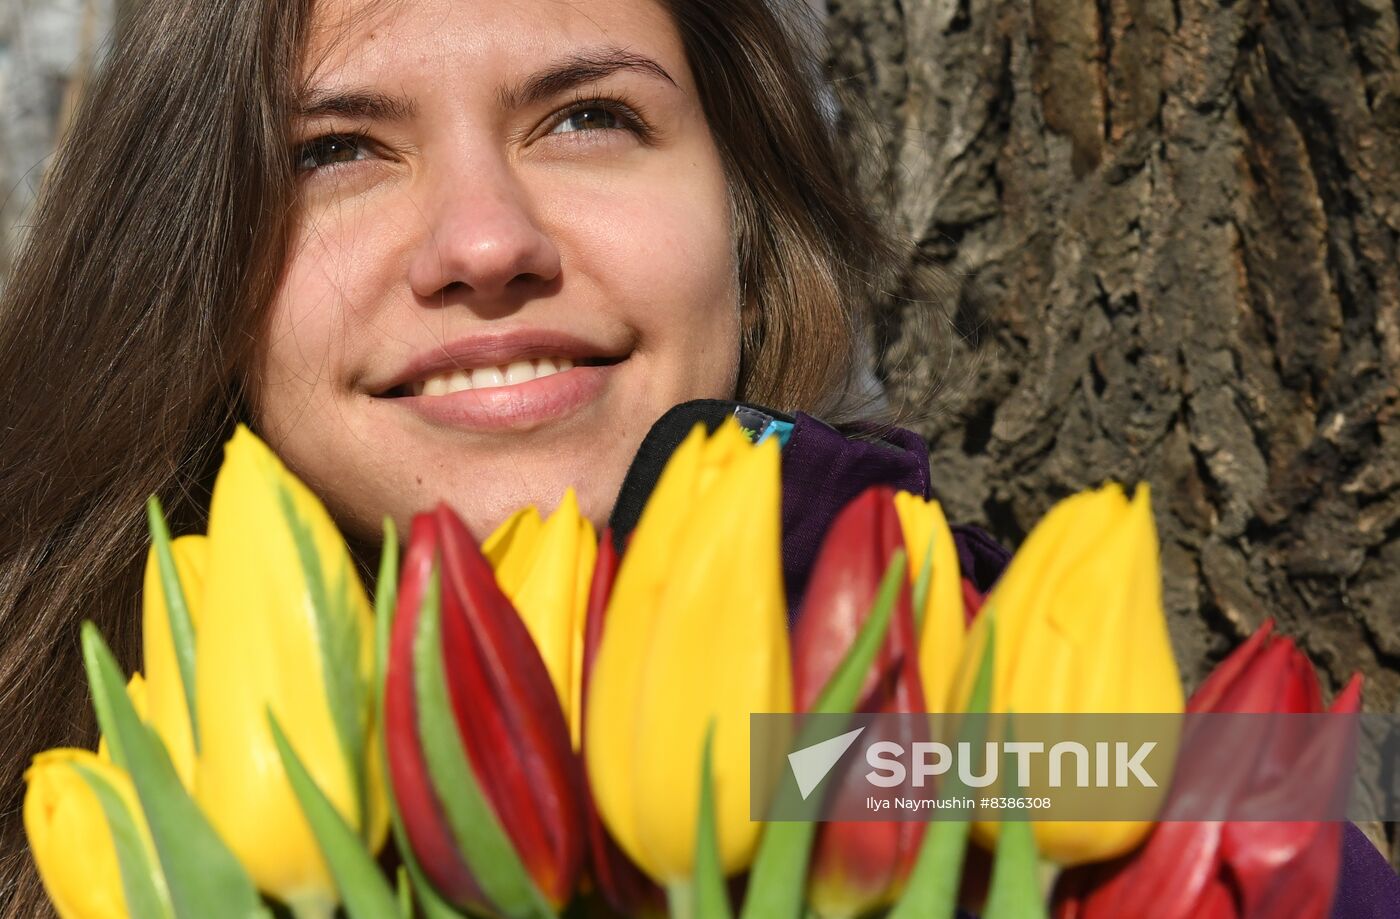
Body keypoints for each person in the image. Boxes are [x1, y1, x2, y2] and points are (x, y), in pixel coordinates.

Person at [0, 1, 1394, 918]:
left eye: (587, 117)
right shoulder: (56, 759)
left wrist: (824, 768)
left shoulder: (979, 735)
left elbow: (1259, 817)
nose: (486, 243)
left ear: (743, 207)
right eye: (336, 150)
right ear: (183, 260)